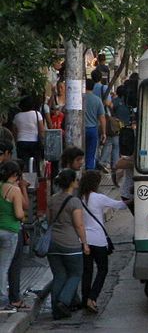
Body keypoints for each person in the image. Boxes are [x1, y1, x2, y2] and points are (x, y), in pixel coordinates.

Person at [79, 170, 127, 313]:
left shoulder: (79, 198)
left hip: (84, 240)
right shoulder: (98, 198)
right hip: (98, 240)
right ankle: (92, 298)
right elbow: (120, 205)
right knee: (102, 269)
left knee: (87, 272)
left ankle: (84, 299)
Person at [47, 169, 90, 320]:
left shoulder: (52, 199)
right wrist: (84, 243)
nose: (78, 182)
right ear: (72, 182)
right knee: (75, 274)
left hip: (52, 243)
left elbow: (49, 220)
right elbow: (79, 225)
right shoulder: (74, 201)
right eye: (76, 179)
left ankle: (55, 308)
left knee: (59, 275)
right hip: (70, 243)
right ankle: (63, 301)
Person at [2, 145, 30, 311]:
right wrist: (23, 188)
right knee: (10, 267)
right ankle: (10, 299)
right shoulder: (14, 189)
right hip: (12, 230)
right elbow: (21, 212)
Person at [12, 96, 45, 175]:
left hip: (21, 142)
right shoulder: (37, 114)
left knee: (23, 164)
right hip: (35, 142)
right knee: (35, 163)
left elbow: (14, 131)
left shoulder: (17, 116)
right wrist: (42, 141)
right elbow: (41, 130)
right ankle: (36, 179)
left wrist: (17, 141)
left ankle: (24, 179)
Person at [83, 79, 106, 170]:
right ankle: (89, 171)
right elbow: (102, 118)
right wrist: (104, 133)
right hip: (92, 129)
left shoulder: (79, 99)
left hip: (80, 129)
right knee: (91, 153)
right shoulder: (97, 100)